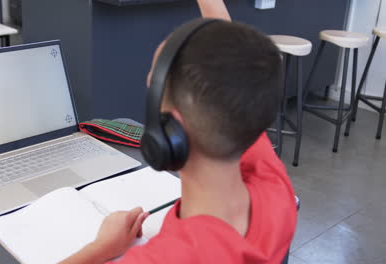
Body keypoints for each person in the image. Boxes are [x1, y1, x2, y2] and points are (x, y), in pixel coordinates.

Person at [61, 0, 297, 263]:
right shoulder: (276, 190)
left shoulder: (162, 258)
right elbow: (238, 73)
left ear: (171, 129)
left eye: (153, 88)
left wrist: (101, 247)